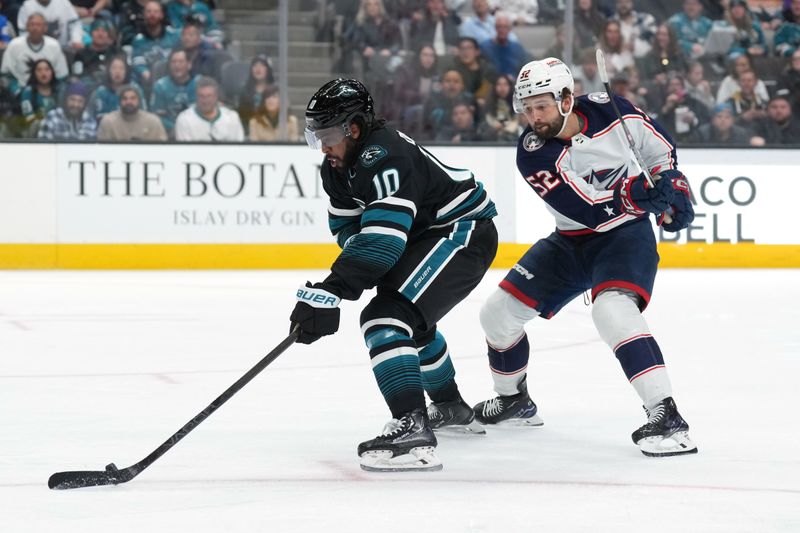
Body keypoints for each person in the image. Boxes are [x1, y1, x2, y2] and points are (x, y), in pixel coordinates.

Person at [471, 57, 698, 458]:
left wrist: (675, 189)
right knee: (497, 314)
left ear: (565, 98)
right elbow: (585, 208)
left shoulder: (615, 109)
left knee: (612, 311)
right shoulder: (532, 152)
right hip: (570, 241)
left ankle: (666, 414)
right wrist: (633, 194)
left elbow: (660, 153)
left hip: (625, 237)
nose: (532, 116)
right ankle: (513, 400)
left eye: (540, 105)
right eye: (525, 108)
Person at [294, 78, 498, 472]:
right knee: (408, 320)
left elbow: (384, 244)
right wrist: (340, 285)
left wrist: (335, 288)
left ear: (354, 128)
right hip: (424, 237)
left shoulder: (384, 155)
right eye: (315, 136)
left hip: (463, 231)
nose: (323, 146)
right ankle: (450, 406)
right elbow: (350, 231)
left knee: (385, 318)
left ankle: (412, 425)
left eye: (329, 135)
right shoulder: (336, 168)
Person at [0, 12, 67, 95]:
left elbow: (62, 75)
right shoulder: (14, 45)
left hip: (48, 93)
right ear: (27, 27)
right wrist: (17, 92)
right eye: (32, 24)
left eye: (38, 25)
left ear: (45, 28)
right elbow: (6, 73)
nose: (35, 28)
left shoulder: (54, 45)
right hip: (20, 91)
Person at [174, 75, 244, 141]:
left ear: (216, 96)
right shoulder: (184, 120)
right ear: (196, 97)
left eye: (209, 96)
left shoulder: (232, 118)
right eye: (201, 96)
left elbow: (239, 149)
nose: (205, 100)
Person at [149, 47, 197, 136]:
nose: (177, 65)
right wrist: (177, 128)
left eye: (180, 62)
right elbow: (156, 116)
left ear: (189, 65)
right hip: (170, 133)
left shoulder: (199, 84)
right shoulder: (160, 86)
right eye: (173, 62)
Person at [131, 0, 180, 86]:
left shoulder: (174, 35)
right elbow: (138, 63)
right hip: (149, 81)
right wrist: (146, 73)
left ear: (162, 15)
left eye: (155, 11)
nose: (152, 15)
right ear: (144, 15)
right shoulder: (138, 40)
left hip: (173, 78)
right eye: (149, 11)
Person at [97, 84, 167, 141]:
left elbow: (164, 150)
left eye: (133, 98)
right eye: (125, 99)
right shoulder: (108, 122)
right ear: (119, 102)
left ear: (139, 101)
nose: (128, 102)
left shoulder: (153, 122)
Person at [89, 53, 146, 120]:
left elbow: (144, 116)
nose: (117, 71)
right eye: (114, 68)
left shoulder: (136, 90)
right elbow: (89, 117)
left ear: (126, 71)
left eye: (121, 68)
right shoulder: (99, 93)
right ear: (108, 70)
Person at [17, 0, 83, 49]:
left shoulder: (63, 2)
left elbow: (75, 23)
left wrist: (76, 39)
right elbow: (23, 32)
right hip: (36, 49)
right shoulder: (27, 5)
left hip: (63, 48)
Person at [19, 57, 59, 135]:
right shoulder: (28, 92)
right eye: (39, 70)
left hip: (57, 128)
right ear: (34, 73)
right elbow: (29, 117)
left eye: (47, 69)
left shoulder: (58, 91)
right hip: (35, 132)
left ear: (52, 72)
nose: (43, 73)